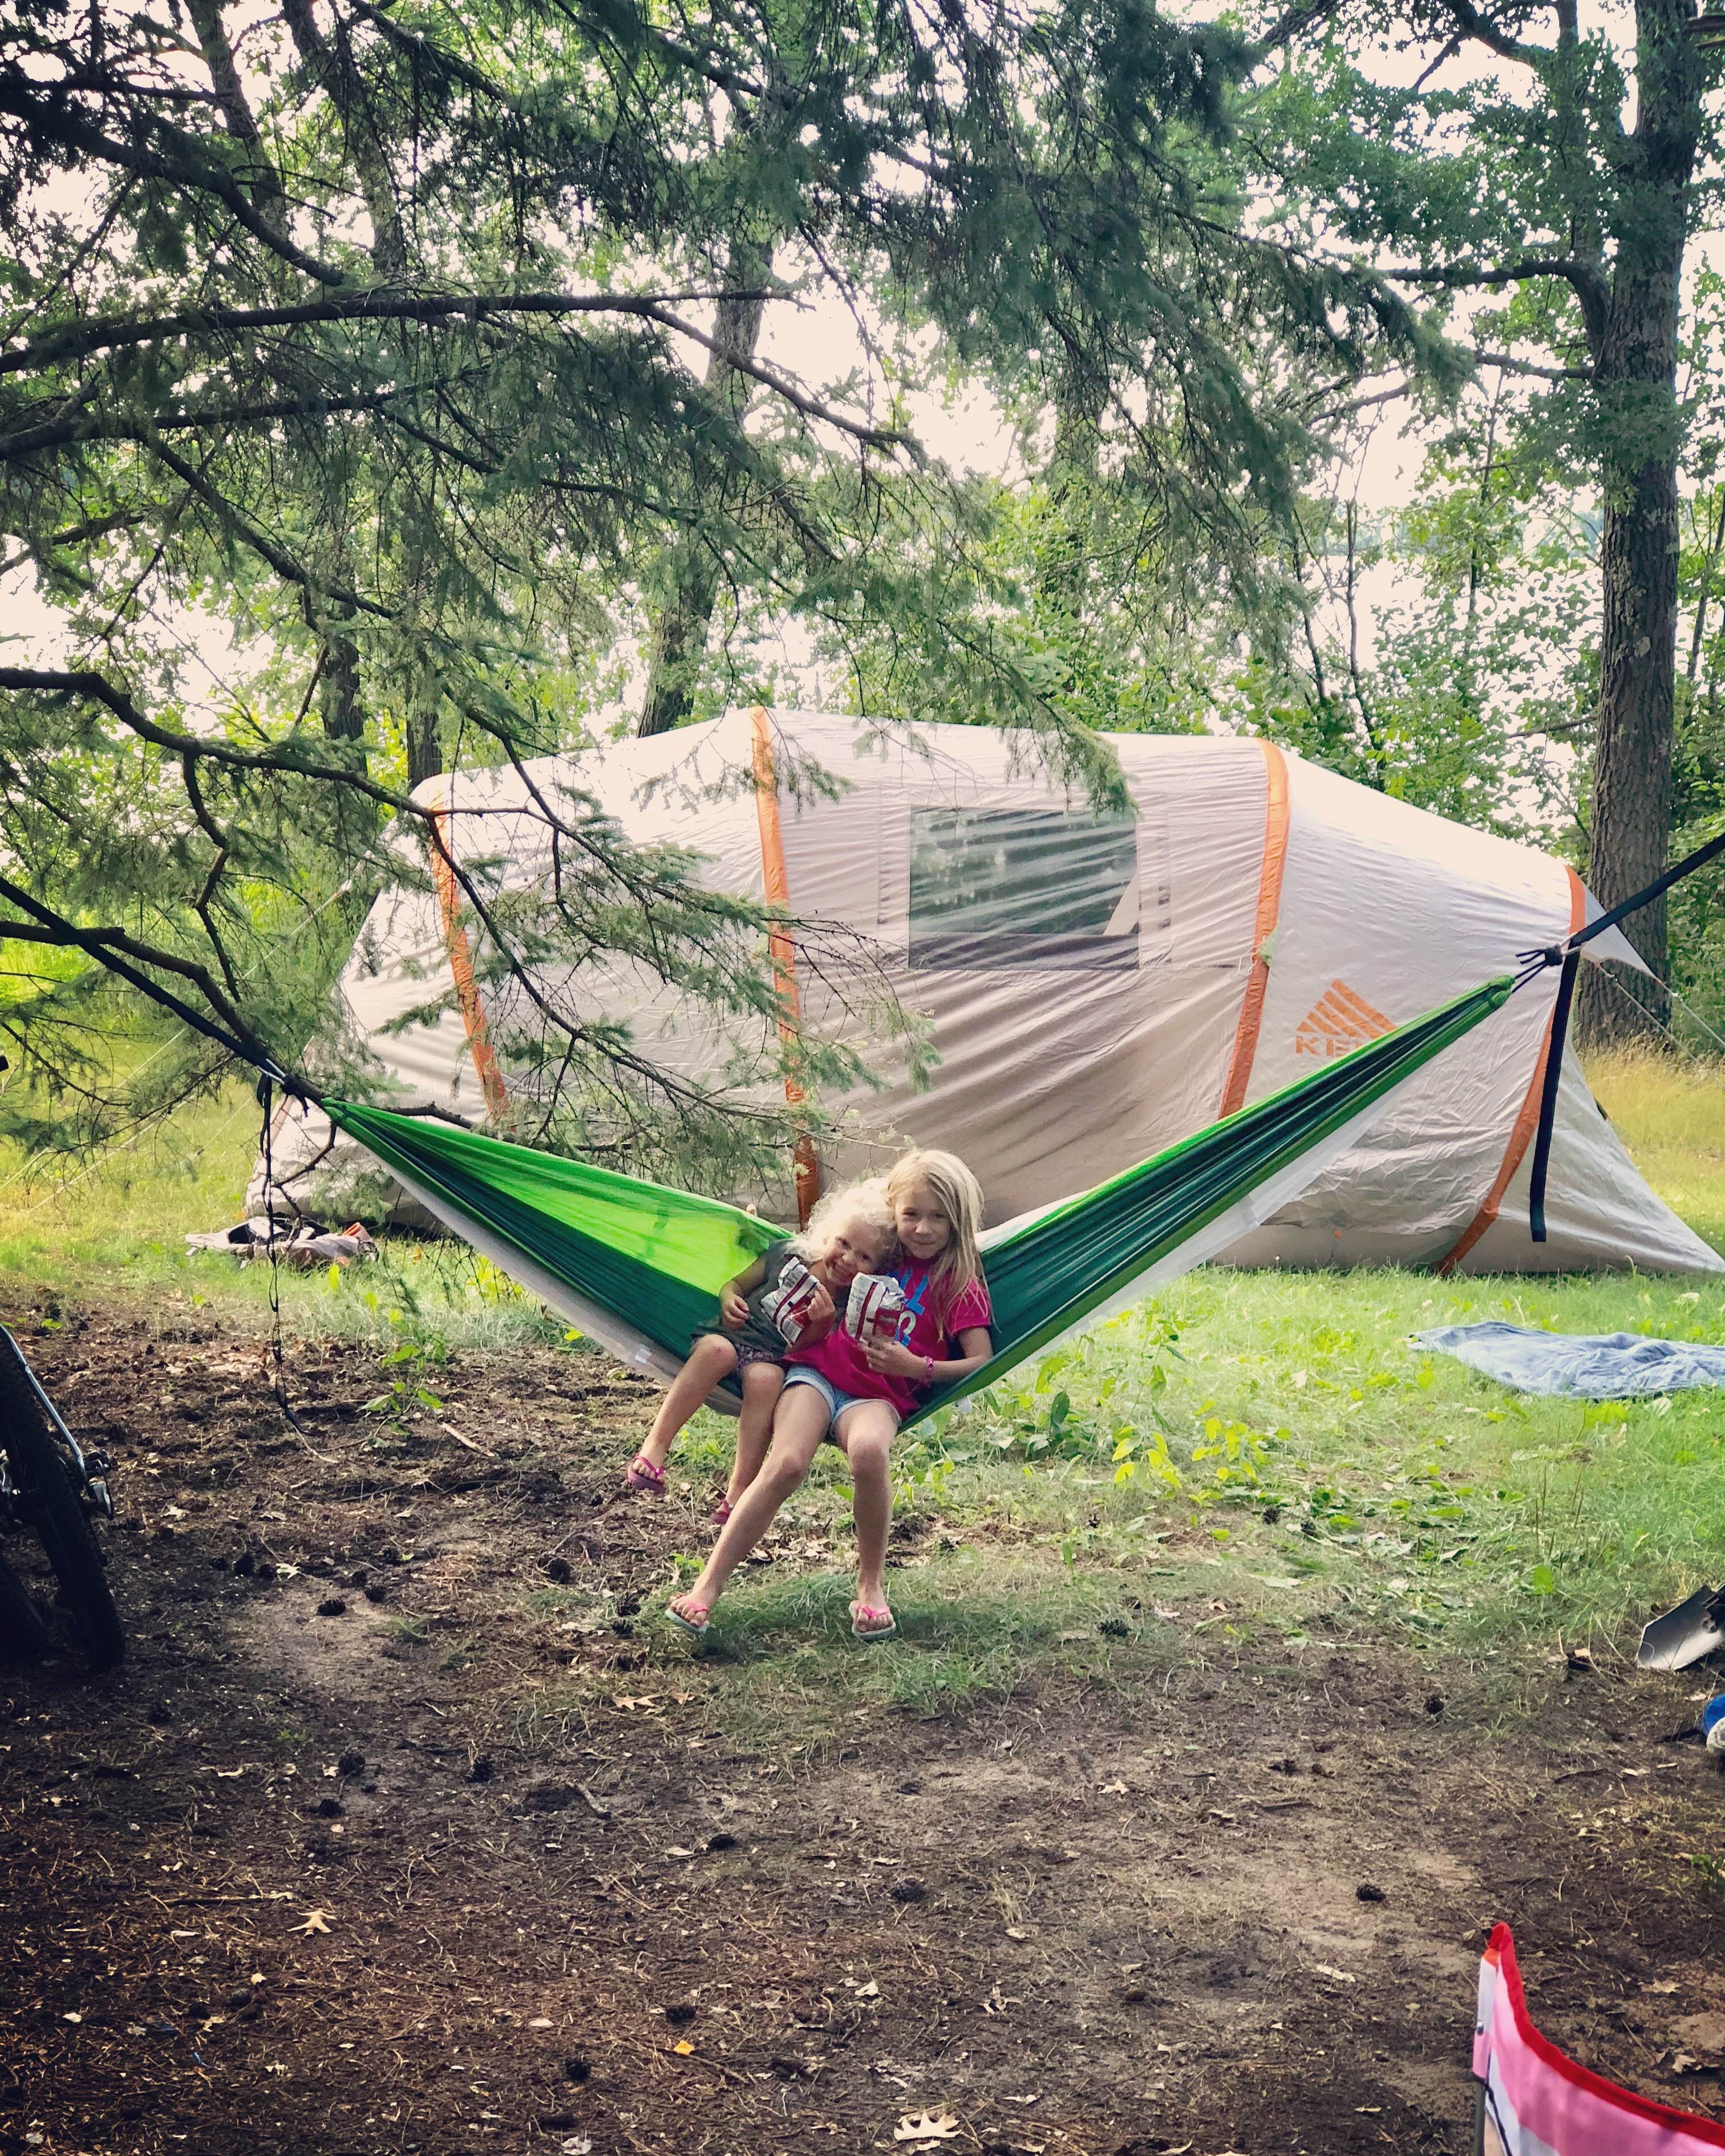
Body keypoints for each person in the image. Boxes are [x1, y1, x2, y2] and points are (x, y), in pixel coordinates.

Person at [667, 1148, 991, 1644]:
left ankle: (870, 1587)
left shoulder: (959, 1282)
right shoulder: (882, 1249)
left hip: (881, 1396)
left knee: (868, 1452)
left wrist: (917, 1366)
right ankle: (705, 1589)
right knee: (788, 1463)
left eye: (939, 1218)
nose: (923, 1229)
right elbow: (836, 1240)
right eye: (912, 1215)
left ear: (959, 1219)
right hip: (818, 1373)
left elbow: (980, 1360)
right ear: (895, 1214)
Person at [622, 1180, 897, 1520]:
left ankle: (739, 1492)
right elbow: (735, 1284)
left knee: (767, 1383)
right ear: (827, 1234)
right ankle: (655, 1446)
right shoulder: (786, 1255)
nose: (848, 1259)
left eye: (865, 1257)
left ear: (877, 1271)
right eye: (843, 1243)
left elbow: (801, 1352)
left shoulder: (846, 1308)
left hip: (771, 1356)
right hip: (729, 1336)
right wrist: (728, 1299)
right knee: (717, 1353)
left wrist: (821, 1325)